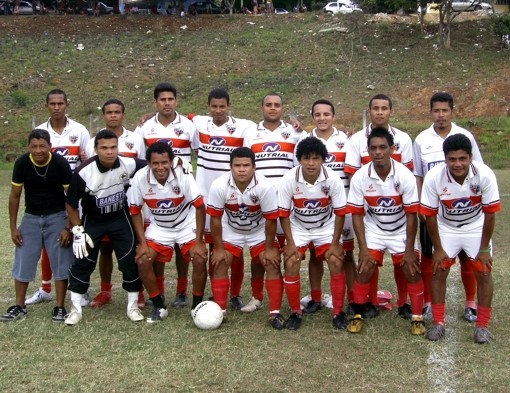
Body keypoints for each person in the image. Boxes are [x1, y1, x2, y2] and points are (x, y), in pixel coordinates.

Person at [420, 134, 500, 344]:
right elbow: (429, 215)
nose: (458, 164)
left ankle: (482, 326)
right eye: (452, 159)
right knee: (439, 269)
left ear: (471, 157)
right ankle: (438, 323)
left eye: (462, 159)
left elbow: (490, 214)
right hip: (446, 227)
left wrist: (484, 250)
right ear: (445, 159)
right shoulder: (434, 177)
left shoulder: (485, 174)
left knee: (483, 272)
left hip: (476, 226)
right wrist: (437, 248)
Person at [346, 127, 425, 335]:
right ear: (368, 150)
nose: (378, 152)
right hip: (375, 230)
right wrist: (362, 249)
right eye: (373, 148)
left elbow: (411, 215)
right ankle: (359, 313)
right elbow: (356, 214)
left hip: (401, 229)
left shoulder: (405, 175)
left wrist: (409, 250)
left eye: (383, 147)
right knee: (364, 268)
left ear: (391, 149)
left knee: (411, 268)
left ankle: (417, 317)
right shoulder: (360, 176)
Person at [64, 129, 147, 325]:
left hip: (120, 217)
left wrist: (179, 163)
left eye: (113, 147)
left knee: (129, 259)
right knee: (83, 259)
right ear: (95, 149)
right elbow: (70, 203)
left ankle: (133, 306)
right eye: (104, 148)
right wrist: (77, 229)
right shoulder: (83, 171)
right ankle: (75, 309)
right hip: (94, 219)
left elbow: (153, 162)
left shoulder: (128, 163)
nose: (109, 152)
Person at [413, 92, 484, 322]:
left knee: (466, 258)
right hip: (434, 211)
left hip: (464, 209)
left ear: (452, 111)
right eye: (436, 110)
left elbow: (479, 171)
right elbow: (418, 175)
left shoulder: (465, 136)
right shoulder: (422, 139)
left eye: (445, 110)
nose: (440, 115)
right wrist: (423, 206)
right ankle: (429, 303)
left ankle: (471, 303)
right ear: (430, 112)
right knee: (428, 256)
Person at [344, 93, 414, 320]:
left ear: (391, 111)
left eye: (385, 108)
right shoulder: (356, 140)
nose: (380, 112)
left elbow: (410, 173)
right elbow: (353, 175)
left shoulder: (403, 138)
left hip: (398, 207)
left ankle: (404, 301)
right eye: (376, 108)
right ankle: (370, 302)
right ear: (369, 111)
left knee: (401, 259)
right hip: (369, 207)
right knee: (368, 259)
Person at [128, 142, 208, 321]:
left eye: (164, 162)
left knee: (200, 258)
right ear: (148, 163)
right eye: (155, 163)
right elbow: (134, 211)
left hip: (186, 224)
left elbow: (200, 207)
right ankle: (158, 306)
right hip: (160, 227)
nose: (160, 167)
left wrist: (198, 241)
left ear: (171, 162)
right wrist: (142, 244)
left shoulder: (183, 175)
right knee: (142, 260)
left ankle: (197, 306)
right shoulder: (140, 178)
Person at [25, 89, 90, 307]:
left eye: (60, 103)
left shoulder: (79, 130)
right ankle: (45, 288)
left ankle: (81, 287)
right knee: (48, 242)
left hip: (75, 195)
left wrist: (83, 161)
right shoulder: (40, 131)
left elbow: (87, 161)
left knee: (77, 240)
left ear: (66, 105)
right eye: (52, 104)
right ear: (47, 106)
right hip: (50, 197)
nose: (56, 107)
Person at [241, 93, 305, 313]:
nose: (272, 108)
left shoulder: (295, 132)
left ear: (282, 108)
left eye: (277, 105)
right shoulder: (251, 134)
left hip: (289, 201)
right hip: (260, 202)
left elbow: (305, 162)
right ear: (262, 107)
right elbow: (245, 165)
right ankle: (257, 297)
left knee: (290, 250)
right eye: (268, 105)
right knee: (261, 253)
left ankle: (293, 297)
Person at [192, 88, 256, 310]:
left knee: (233, 250)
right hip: (206, 196)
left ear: (229, 106)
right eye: (214, 106)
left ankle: (235, 294)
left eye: (222, 106)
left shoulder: (244, 127)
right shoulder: (198, 124)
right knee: (213, 248)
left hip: (232, 195)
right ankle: (217, 290)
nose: (218, 110)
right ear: (208, 107)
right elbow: (180, 119)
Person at [136, 82, 198, 309]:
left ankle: (182, 290)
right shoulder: (145, 128)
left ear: (176, 101)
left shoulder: (189, 126)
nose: (167, 103)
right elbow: (142, 161)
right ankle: (158, 290)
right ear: (156, 102)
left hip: (181, 192)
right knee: (158, 244)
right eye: (162, 99)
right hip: (156, 192)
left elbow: (200, 153)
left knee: (184, 246)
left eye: (171, 99)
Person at [1, 129, 73, 323]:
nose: (38, 150)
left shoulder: (60, 163)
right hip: (31, 217)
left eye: (42, 146)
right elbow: (15, 196)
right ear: (29, 147)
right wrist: (13, 227)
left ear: (50, 146)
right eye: (34, 146)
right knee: (23, 259)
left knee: (60, 260)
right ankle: (19, 306)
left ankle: (59, 306)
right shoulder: (22, 163)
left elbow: (71, 198)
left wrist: (68, 227)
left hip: (57, 216)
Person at [208, 147, 283, 328]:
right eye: (237, 165)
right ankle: (221, 311)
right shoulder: (218, 185)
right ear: (231, 167)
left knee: (270, 262)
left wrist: (268, 248)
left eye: (246, 165)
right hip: (231, 229)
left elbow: (271, 219)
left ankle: (274, 313)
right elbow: (215, 219)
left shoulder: (265, 186)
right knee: (219, 262)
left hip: (258, 230)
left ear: (254, 167)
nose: (242, 169)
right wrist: (218, 249)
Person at [279, 136, 348, 331]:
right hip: (298, 227)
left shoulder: (333, 179)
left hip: (325, 226)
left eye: (316, 158)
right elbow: (284, 214)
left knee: (336, 260)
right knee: (291, 260)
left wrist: (335, 243)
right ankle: (295, 312)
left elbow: (340, 212)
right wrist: (290, 243)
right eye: (306, 158)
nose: (311, 163)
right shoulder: (288, 179)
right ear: (299, 159)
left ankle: (338, 312)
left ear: (323, 159)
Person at [85, 99, 146, 309]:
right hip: (103, 205)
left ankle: (137, 291)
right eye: (109, 112)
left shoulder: (136, 139)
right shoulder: (93, 140)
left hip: (130, 203)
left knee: (134, 247)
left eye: (117, 112)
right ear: (104, 115)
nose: (113, 115)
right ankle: (105, 291)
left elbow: (144, 170)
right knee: (105, 249)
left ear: (123, 114)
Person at [301, 99, 355, 315]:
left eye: (326, 114)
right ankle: (316, 297)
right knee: (316, 254)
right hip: (317, 206)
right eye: (318, 114)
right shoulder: (305, 140)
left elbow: (351, 171)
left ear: (333, 116)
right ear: (312, 117)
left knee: (347, 254)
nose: (322, 118)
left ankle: (351, 298)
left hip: (342, 204)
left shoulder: (346, 139)